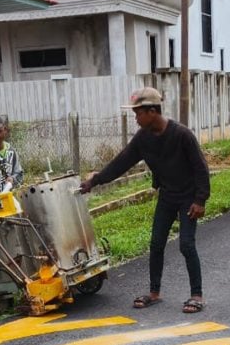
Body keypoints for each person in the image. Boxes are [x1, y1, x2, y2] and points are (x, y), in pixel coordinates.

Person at [79, 87, 210, 313]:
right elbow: (122, 162)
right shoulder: (143, 138)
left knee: (186, 245)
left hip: (188, 198)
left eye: (138, 113)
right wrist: (95, 180)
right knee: (156, 243)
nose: (136, 118)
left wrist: (200, 200)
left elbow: (201, 168)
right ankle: (154, 292)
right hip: (167, 195)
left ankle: (197, 295)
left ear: (152, 111)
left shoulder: (182, 135)